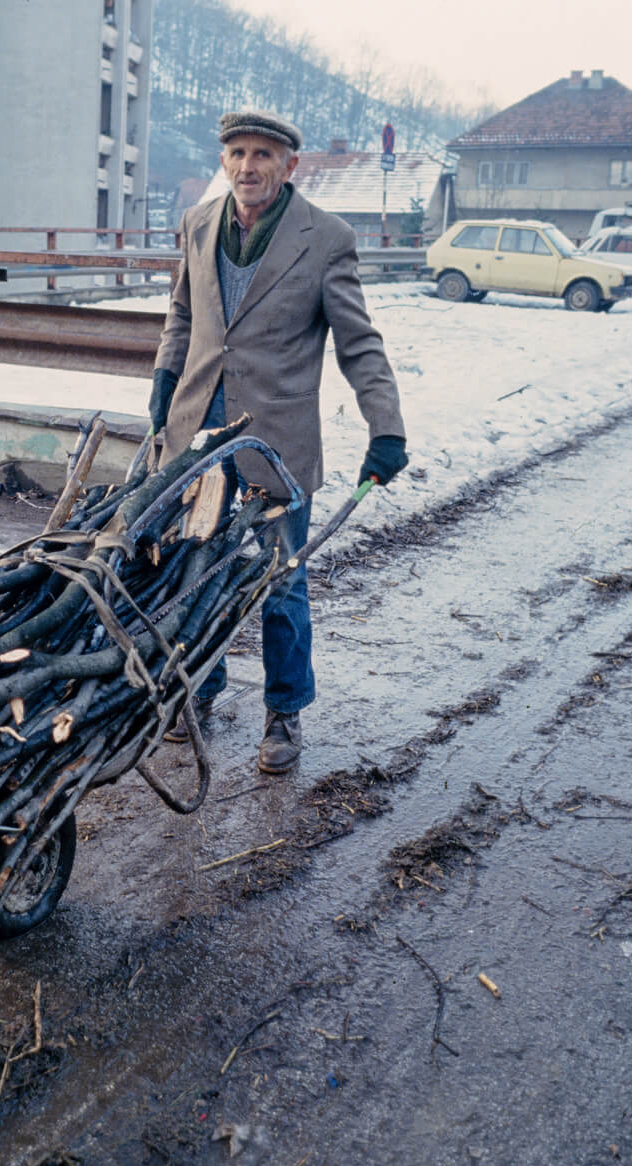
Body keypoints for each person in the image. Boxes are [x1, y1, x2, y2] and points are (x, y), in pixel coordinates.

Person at [149, 109, 407, 774]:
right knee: (192, 571)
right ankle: (196, 691)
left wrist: (387, 427)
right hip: (199, 436)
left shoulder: (325, 239)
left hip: (277, 442)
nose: (247, 166)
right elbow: (182, 313)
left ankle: (283, 714)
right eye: (236, 152)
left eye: (263, 154)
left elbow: (359, 343)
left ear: (289, 165)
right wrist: (164, 378)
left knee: (281, 581)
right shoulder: (199, 224)